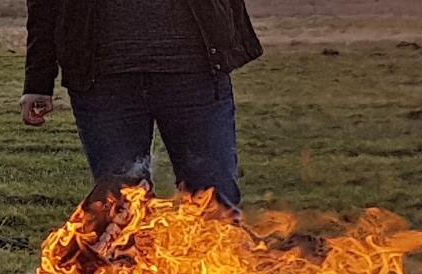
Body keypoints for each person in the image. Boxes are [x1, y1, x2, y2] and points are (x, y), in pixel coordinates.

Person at [20, 0, 263, 208]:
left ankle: (218, 263)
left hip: (197, 71)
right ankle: (131, 263)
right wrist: (37, 83)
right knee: (122, 204)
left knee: (214, 200)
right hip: (103, 80)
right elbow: (43, 7)